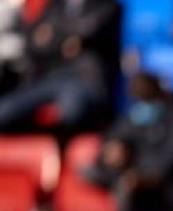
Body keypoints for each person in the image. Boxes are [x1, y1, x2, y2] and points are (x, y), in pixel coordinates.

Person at [80, 73, 173, 211]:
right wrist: (112, 152)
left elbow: (172, 159)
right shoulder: (131, 119)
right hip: (130, 181)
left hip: (164, 189)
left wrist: (144, 176)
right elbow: (113, 142)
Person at [0, 0, 119, 134]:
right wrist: (65, 39)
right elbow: (34, 40)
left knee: (71, 110)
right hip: (48, 76)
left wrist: (55, 33)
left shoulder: (106, 5)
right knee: (5, 111)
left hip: (82, 79)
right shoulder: (56, 5)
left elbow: (88, 31)